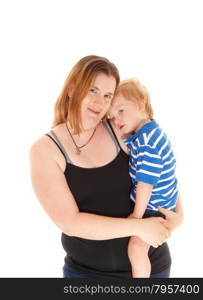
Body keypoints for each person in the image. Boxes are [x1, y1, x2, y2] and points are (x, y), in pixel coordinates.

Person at [29, 55, 183, 279]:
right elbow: (70, 223)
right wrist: (137, 227)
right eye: (93, 90)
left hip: (153, 269)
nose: (100, 103)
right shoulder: (46, 150)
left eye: (108, 95)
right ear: (72, 89)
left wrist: (180, 214)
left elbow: (159, 168)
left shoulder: (119, 130)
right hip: (86, 276)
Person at [108, 78, 180, 278]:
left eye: (121, 111)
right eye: (112, 117)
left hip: (153, 206)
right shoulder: (145, 134)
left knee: (136, 248)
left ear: (140, 105)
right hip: (158, 202)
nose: (116, 120)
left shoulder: (148, 142)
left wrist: (137, 218)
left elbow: (145, 184)